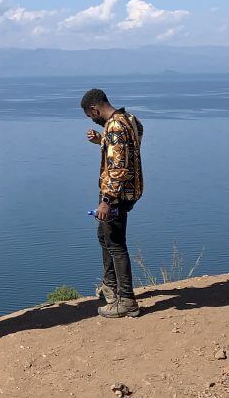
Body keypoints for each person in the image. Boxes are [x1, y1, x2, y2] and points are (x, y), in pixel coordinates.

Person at [81, 88, 145, 318]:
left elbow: (118, 168)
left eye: (91, 116)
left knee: (115, 242)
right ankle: (110, 285)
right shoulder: (129, 119)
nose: (93, 120)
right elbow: (132, 142)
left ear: (94, 108)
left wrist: (107, 201)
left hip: (116, 194)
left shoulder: (115, 126)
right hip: (129, 191)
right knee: (104, 235)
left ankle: (126, 299)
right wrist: (103, 141)